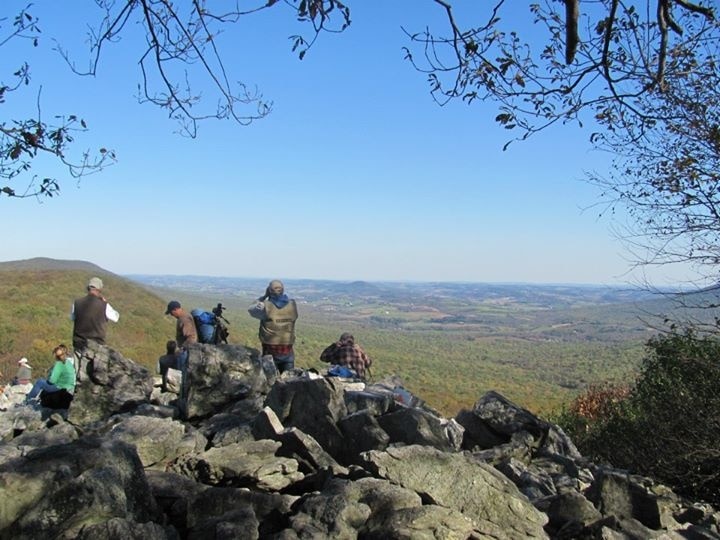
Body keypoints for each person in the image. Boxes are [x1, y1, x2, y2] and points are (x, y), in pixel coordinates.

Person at [71, 277, 120, 379]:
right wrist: (105, 302)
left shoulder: (77, 303)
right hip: (96, 346)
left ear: (88, 288)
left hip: (79, 344)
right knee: (92, 378)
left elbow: (72, 318)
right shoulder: (103, 305)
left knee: (78, 376)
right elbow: (116, 317)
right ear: (99, 290)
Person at [248, 280, 298, 373]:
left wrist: (264, 297)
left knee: (270, 380)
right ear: (283, 290)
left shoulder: (264, 306)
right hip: (288, 348)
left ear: (269, 291)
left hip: (270, 349)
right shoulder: (292, 304)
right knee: (289, 380)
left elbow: (251, 310)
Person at [165, 300, 197, 395]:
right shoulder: (185, 316)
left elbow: (191, 337)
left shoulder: (184, 319)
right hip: (187, 350)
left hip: (186, 352)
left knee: (183, 376)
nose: (171, 315)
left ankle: (183, 395)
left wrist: (182, 349)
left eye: (171, 312)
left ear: (175, 309)